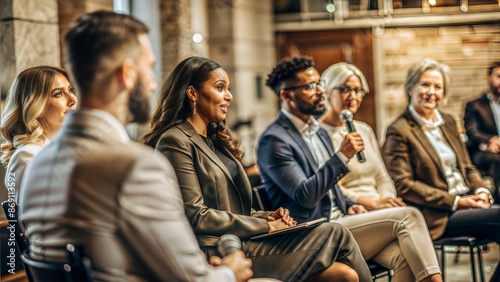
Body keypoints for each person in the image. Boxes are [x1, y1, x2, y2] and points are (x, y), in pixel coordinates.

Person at [18, 11, 252, 282]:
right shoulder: (135, 166)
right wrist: (230, 271)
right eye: (148, 69)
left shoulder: (37, 164)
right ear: (127, 73)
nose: (153, 85)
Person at [142, 56, 372, 282]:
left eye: (228, 89)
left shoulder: (213, 140)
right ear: (192, 93)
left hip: (244, 241)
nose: (229, 96)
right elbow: (195, 215)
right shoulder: (175, 140)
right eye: (220, 88)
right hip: (218, 251)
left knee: (345, 274)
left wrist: (268, 215)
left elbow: (233, 209)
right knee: (335, 231)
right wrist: (266, 224)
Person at [257, 56, 442, 282]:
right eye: (310, 86)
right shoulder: (275, 140)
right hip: (313, 233)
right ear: (287, 95)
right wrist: (342, 156)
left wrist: (351, 204)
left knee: (403, 256)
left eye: (319, 85)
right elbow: (305, 196)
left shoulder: (317, 132)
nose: (319, 92)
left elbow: (333, 189)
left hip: (342, 219)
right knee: (410, 215)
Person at [382, 58, 500, 280]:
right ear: (410, 87)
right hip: (437, 215)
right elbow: (404, 186)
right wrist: (458, 201)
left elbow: (467, 166)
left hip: (467, 202)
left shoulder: (446, 121)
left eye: (438, 87)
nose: (431, 92)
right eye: (425, 85)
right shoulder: (398, 130)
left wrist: (481, 191)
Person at [319, 62, 405, 210]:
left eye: (358, 90)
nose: (352, 96)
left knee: (410, 213)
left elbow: (382, 177)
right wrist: (372, 204)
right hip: (352, 208)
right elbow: (333, 187)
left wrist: (387, 200)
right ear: (327, 91)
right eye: (344, 89)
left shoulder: (364, 130)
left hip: (380, 203)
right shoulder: (318, 134)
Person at [1, 66, 77, 201]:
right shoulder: (27, 156)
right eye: (58, 94)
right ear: (35, 105)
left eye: (70, 90)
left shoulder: (67, 147)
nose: (73, 99)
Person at [464, 60, 500, 202]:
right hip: (483, 152)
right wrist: (491, 140)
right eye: (498, 76)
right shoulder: (475, 105)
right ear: (488, 78)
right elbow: (472, 132)